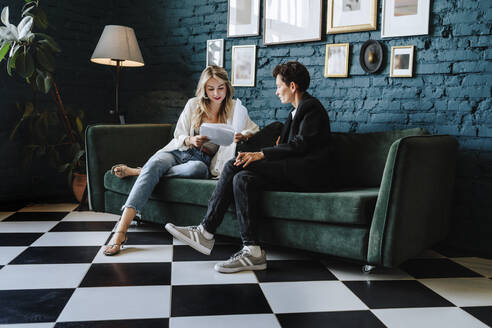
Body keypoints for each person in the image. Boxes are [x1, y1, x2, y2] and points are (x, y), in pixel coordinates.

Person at [165, 61, 332, 273]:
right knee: (241, 178)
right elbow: (288, 146)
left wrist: (261, 154)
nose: (276, 91)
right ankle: (252, 250)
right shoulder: (294, 113)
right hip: (292, 170)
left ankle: (205, 231)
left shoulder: (311, 107)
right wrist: (260, 152)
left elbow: (300, 145)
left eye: (279, 85)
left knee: (232, 166)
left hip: (308, 175)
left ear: (292, 86)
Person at [104, 65, 259, 256]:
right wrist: (191, 139)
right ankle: (121, 231)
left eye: (220, 88)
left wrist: (242, 136)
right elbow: (179, 135)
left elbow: (253, 129)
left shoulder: (235, 108)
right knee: (155, 164)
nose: (216, 93)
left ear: (227, 87)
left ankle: (139, 171)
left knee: (195, 170)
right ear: (204, 89)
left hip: (201, 162)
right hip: (180, 151)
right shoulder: (193, 104)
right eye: (210, 89)